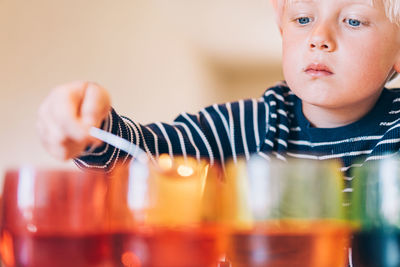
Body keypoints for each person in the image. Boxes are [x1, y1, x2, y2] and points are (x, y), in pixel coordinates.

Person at [38, 0, 400, 202]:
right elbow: (145, 155)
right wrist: (92, 126)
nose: (318, 38)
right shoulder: (248, 125)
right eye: (302, 18)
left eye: (354, 21)